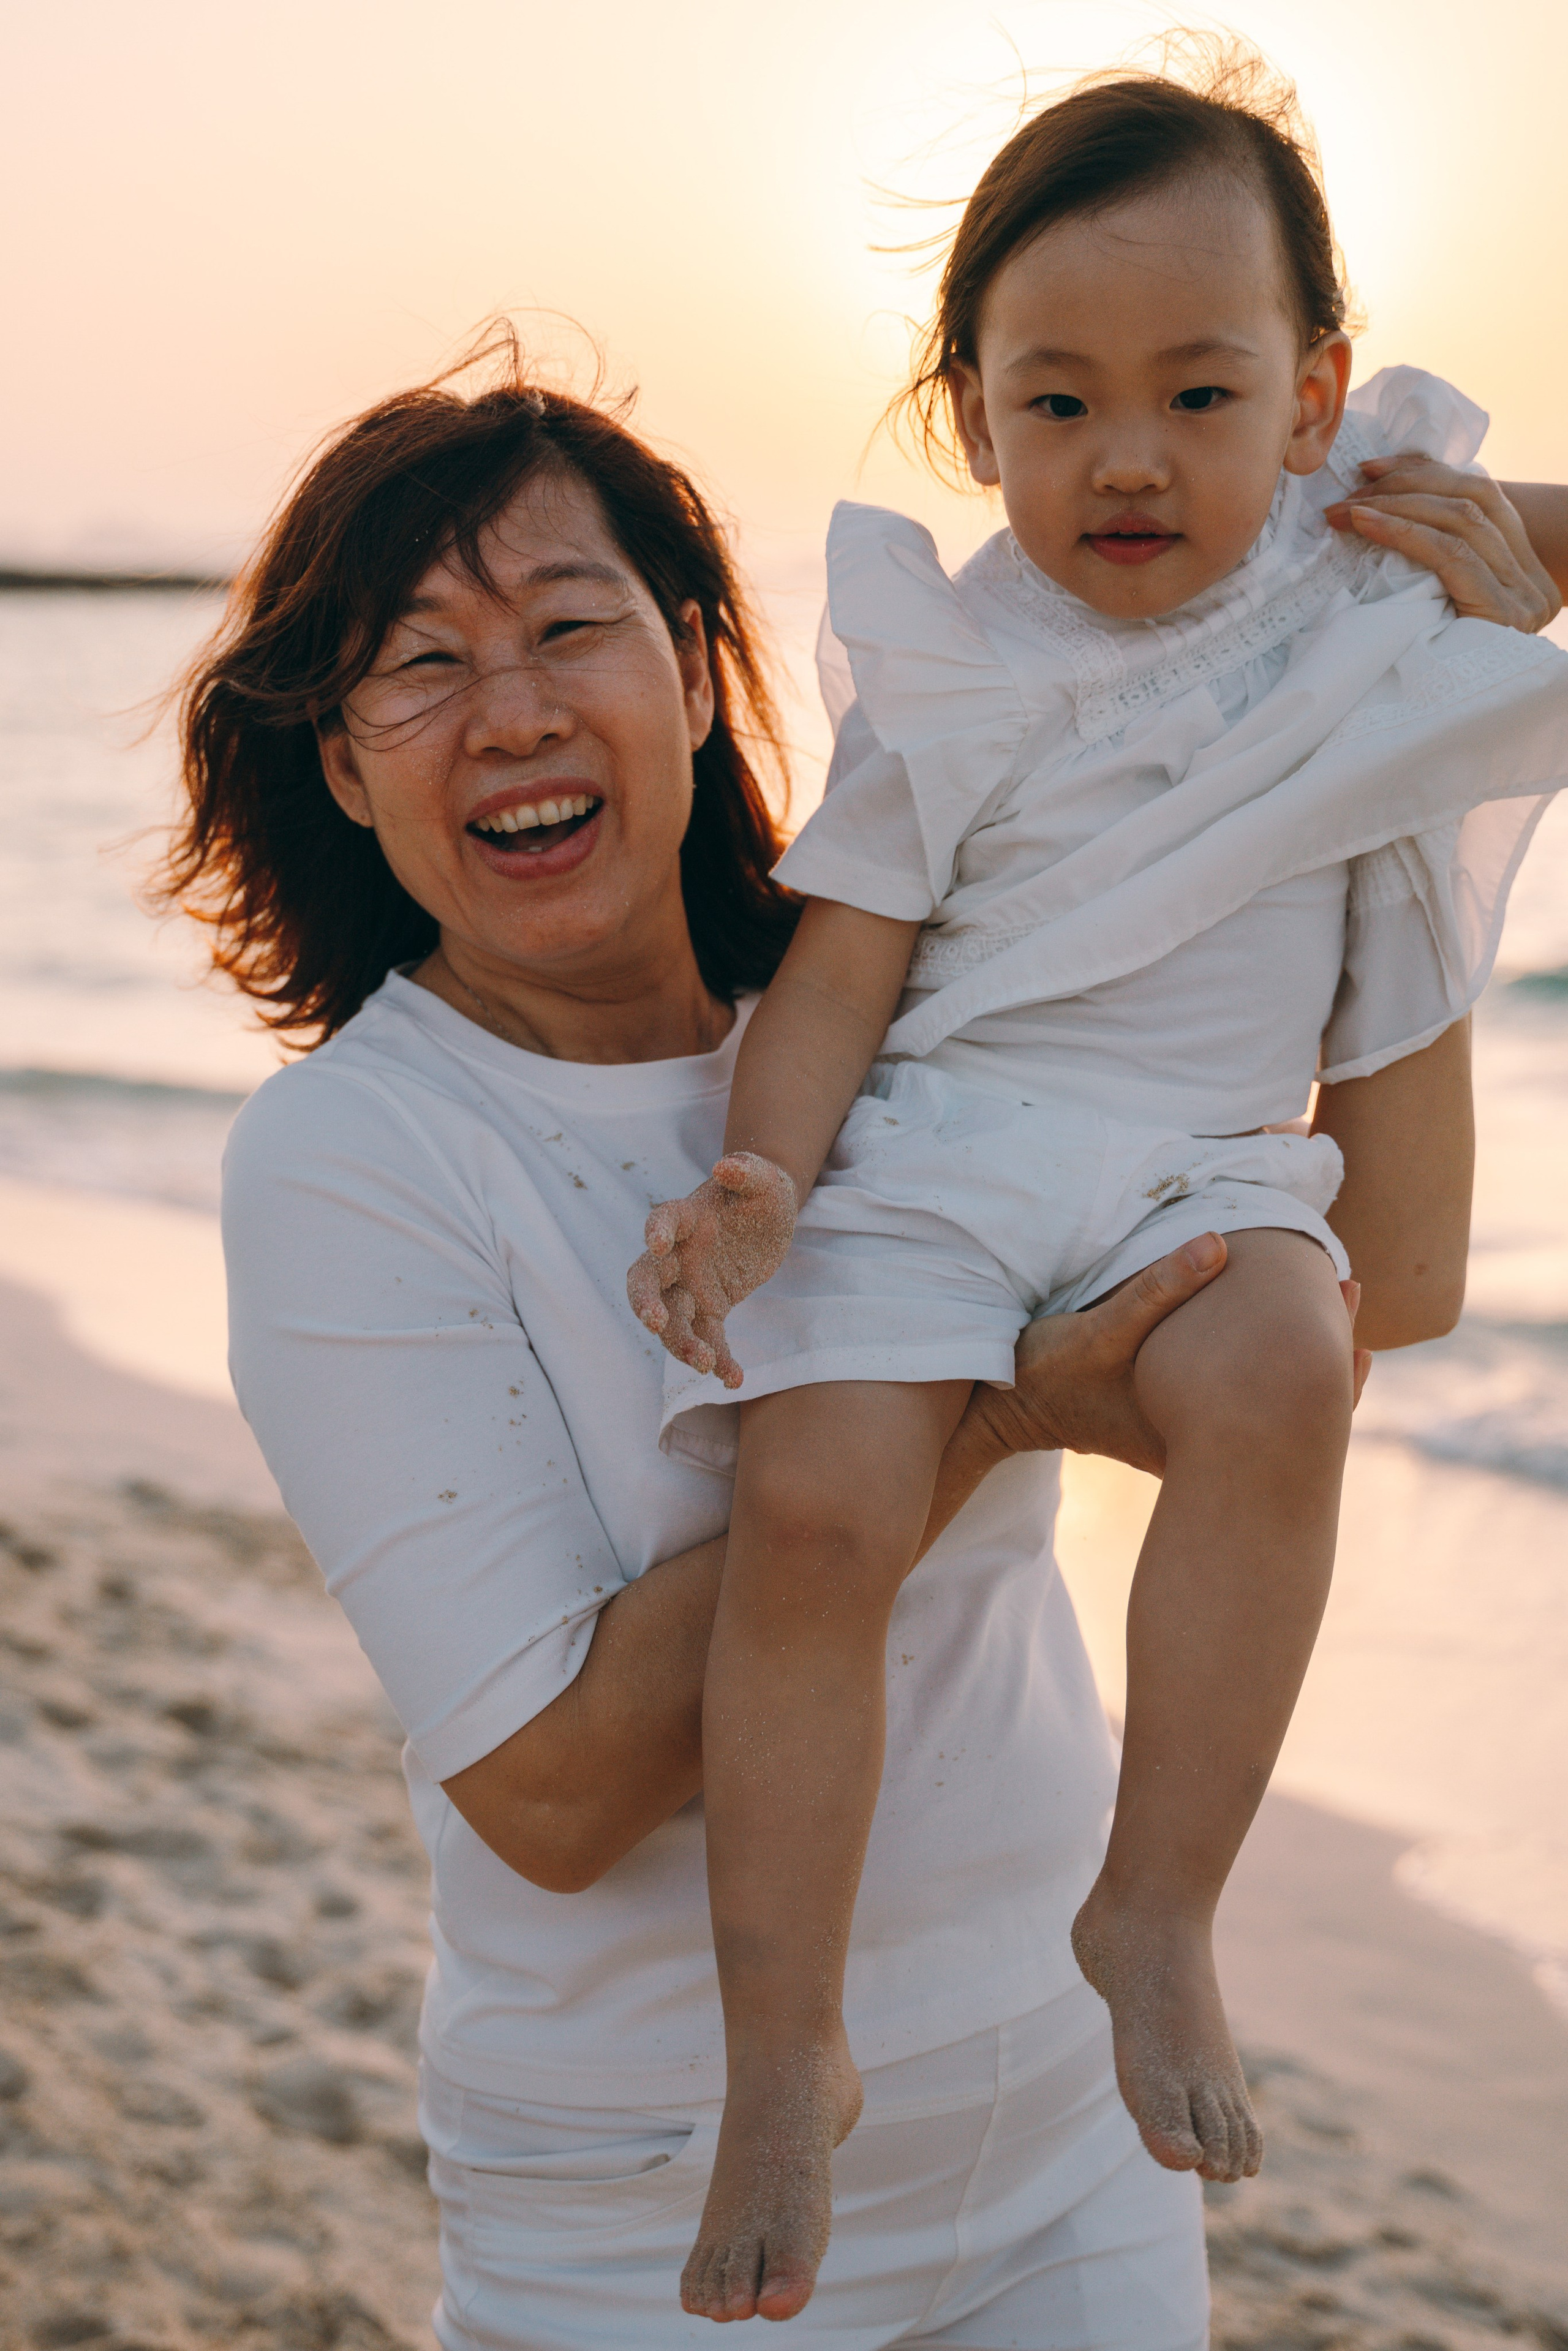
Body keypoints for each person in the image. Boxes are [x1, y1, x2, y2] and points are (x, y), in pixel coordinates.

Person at [158, 330, 1555, 2350]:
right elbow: (549, 1794)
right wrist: (988, 1415)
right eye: (420, 667)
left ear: (700, 670)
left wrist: (1396, 772)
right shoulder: (354, 1157)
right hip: (644, 2192)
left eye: (571, 625)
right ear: (341, 760)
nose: (516, 712)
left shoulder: (915, 1008)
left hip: (1070, 2123)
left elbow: (1393, 1285)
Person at [627, 55, 1568, 2323]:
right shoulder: (954, 660)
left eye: (1200, 392)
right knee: (823, 1505)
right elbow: (846, 958)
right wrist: (766, 1173)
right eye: (1055, 404)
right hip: (945, 1150)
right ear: (970, 419)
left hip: (1204, 1173)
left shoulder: (1363, 584)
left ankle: (1158, 1900)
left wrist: (1521, 551)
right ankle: (785, 2053)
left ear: (1320, 397)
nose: (1127, 456)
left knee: (1288, 1373)